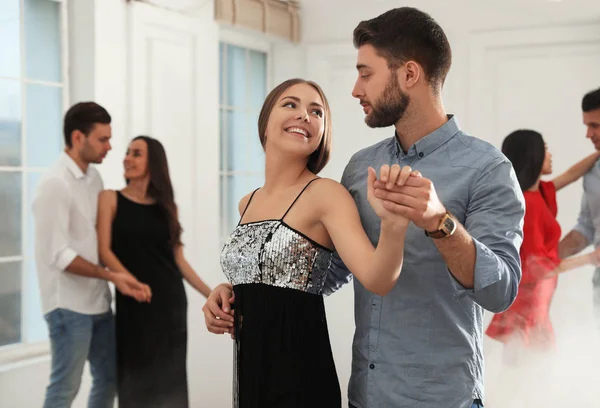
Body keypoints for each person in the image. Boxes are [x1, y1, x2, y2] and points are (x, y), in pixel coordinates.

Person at [205, 8, 525, 408]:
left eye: (365, 73)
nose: (356, 89)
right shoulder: (360, 167)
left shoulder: (487, 168)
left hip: (442, 400)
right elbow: (329, 269)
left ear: (409, 75)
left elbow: (502, 291)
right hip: (365, 396)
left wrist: (440, 223)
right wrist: (244, 287)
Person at [211, 78, 413, 408]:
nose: (304, 115)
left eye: (316, 111)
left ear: (322, 132)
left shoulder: (326, 194)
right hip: (250, 372)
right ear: (265, 122)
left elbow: (378, 278)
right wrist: (224, 294)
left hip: (300, 377)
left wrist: (393, 225)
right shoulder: (247, 202)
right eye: (290, 104)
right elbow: (263, 277)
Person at [32, 102, 150, 408]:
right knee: (64, 389)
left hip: (99, 303)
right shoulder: (54, 184)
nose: (111, 147)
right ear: (77, 138)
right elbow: (59, 255)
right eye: (103, 139)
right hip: (68, 307)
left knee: (109, 379)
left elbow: (99, 241)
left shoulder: (94, 179)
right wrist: (111, 276)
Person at [96, 136, 212, 408]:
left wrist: (212, 293)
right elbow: (104, 252)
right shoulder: (110, 199)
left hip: (170, 307)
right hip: (133, 305)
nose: (127, 158)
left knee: (170, 385)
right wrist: (131, 282)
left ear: (153, 163)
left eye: (136, 154)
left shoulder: (166, 209)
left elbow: (179, 261)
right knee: (134, 385)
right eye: (127, 153)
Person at [486, 130, 600, 355]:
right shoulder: (530, 206)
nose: (550, 155)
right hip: (529, 306)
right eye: (545, 149)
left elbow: (571, 174)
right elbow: (538, 268)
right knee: (525, 375)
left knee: (527, 375)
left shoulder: (538, 194)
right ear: (534, 155)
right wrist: (590, 258)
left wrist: (597, 154)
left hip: (536, 304)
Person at [558, 87, 600, 330]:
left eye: (594, 125)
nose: (588, 134)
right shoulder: (592, 173)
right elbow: (586, 226)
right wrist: (551, 256)